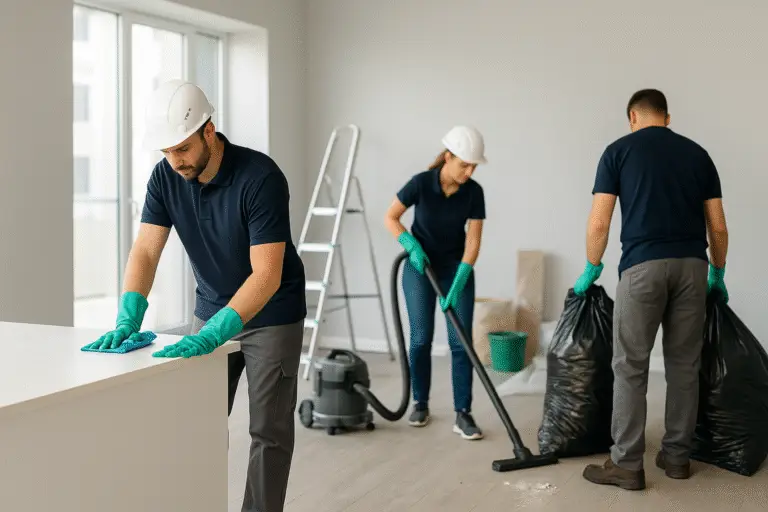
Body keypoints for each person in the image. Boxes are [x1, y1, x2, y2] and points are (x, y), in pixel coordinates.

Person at [83, 80, 307, 512]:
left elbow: (266, 275)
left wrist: (219, 331)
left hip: (272, 314)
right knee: (197, 424)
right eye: (166, 152)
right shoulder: (166, 176)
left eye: (182, 149)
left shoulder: (260, 178)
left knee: (269, 431)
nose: (175, 161)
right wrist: (129, 314)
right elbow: (146, 250)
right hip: (211, 310)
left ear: (209, 130)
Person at [575, 89, 729, 490]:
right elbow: (718, 226)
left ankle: (626, 463)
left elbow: (599, 223)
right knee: (684, 365)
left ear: (633, 116)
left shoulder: (617, 152)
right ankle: (677, 458)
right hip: (693, 267)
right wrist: (718, 271)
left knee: (630, 366)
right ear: (667, 117)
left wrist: (592, 266)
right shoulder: (698, 154)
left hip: (642, 268)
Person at [383, 125, 487, 440]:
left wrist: (461, 278)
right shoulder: (421, 184)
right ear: (447, 156)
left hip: (456, 269)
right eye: (463, 164)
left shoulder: (474, 192)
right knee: (420, 338)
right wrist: (410, 245)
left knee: (461, 342)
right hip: (419, 267)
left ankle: (463, 414)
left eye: (473, 166)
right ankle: (421, 403)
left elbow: (473, 241)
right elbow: (391, 216)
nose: (469, 172)